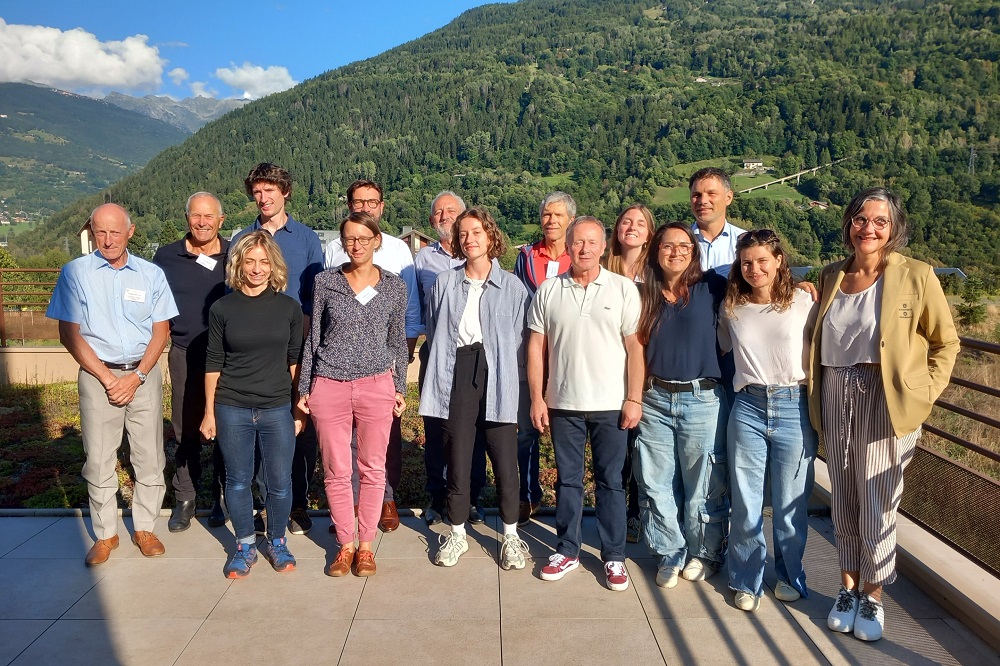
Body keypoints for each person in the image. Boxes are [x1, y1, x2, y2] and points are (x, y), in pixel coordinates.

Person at [808, 187, 959, 641]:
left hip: (885, 396)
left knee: (878, 497)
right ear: (848, 224)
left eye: (879, 221)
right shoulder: (832, 274)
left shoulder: (916, 275)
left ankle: (873, 597)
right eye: (860, 219)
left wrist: (924, 392)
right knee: (844, 497)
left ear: (893, 228)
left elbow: (946, 342)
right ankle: (847, 589)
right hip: (835, 390)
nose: (868, 228)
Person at [47, 203, 178, 565]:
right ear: (92, 232)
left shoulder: (151, 274)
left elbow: (161, 331)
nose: (107, 240)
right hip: (97, 375)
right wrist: (107, 378)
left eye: (115, 232)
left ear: (130, 232)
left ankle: (145, 527)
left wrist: (137, 376)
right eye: (100, 232)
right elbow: (69, 334)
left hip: (144, 375)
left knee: (149, 455)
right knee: (100, 457)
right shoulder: (75, 273)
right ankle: (106, 534)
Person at [528, 216, 644, 592]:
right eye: (578, 242)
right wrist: (537, 397)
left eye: (592, 242)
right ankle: (567, 550)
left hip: (611, 404)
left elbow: (635, 348)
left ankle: (613, 556)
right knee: (568, 481)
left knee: (612, 482)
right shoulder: (549, 290)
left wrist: (634, 398)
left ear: (603, 246)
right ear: (568, 246)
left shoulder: (623, 289)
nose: (585, 249)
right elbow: (536, 348)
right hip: (563, 402)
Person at [298, 211, 408, 577]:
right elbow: (313, 338)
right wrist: (305, 387)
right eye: (349, 239)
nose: (356, 245)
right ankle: (345, 544)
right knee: (336, 470)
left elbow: (397, 340)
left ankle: (366, 547)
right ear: (342, 242)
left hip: (376, 385)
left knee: (373, 469)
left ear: (377, 241)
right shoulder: (325, 281)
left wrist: (400, 387)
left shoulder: (394, 286)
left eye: (363, 238)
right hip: (329, 384)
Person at [420, 207, 530, 570]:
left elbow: (521, 341)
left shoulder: (512, 287)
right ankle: (457, 533)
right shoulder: (444, 283)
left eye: (477, 232)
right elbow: (434, 330)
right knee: (458, 456)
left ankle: (510, 536)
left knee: (504, 457)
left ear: (490, 236)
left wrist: (516, 388)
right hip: (458, 370)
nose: (470, 239)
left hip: (499, 373)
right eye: (463, 233)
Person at [718, 229, 818, 612]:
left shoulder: (804, 301)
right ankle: (746, 580)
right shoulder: (732, 307)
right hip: (748, 406)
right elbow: (722, 347)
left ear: (778, 261)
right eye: (746, 262)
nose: (754, 268)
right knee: (746, 502)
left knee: (791, 502)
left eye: (762, 260)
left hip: (794, 405)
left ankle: (791, 576)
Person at [201, 231, 304, 578]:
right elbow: (213, 362)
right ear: (239, 265)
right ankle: (245, 546)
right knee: (237, 481)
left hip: (277, 407)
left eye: (263, 261)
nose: (257, 269)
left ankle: (277, 541)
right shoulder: (222, 309)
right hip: (232, 406)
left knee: (280, 483)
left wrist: (299, 407)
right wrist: (209, 413)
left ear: (273, 265)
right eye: (250, 261)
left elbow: (295, 360)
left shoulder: (289, 308)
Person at [632, 222, 729, 589]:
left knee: (703, 483)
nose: (675, 252)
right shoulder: (642, 294)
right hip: (654, 399)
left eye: (683, 245)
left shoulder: (712, 287)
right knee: (655, 483)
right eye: (667, 245)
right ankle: (669, 552)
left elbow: (760, 287)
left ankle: (705, 554)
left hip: (702, 399)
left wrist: (801, 285)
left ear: (694, 251)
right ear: (656, 251)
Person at [232, 163, 323, 536]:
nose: (263, 197)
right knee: (254, 425)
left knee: (300, 422)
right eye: (257, 191)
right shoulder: (242, 238)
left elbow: (314, 297)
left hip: (297, 347)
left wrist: (302, 346)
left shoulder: (306, 239)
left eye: (270, 190)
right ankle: (260, 504)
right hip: (254, 352)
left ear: (285, 192)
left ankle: (297, 503)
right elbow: (234, 293)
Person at [325, 179, 420, 533]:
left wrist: (404, 355)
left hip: (384, 361)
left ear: (382, 206)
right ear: (349, 205)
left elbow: (409, 309)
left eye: (371, 201)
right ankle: (350, 502)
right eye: (358, 201)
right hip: (340, 364)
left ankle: (386, 498)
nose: (364, 207)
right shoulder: (334, 249)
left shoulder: (398, 250)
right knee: (345, 439)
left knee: (384, 436)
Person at [153, 192, 230, 532]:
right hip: (185, 352)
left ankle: (223, 497)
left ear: (221, 220)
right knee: (185, 427)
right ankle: (185, 496)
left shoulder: (235, 254)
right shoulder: (166, 257)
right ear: (187, 218)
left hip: (228, 356)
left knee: (228, 426)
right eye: (196, 216)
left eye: (209, 216)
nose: (202, 222)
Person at [413, 191, 488, 526]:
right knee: (435, 426)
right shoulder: (422, 259)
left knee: (474, 428)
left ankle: (471, 496)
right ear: (432, 220)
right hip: (436, 351)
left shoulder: (480, 253)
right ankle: (437, 496)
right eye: (438, 212)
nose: (444, 216)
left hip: (474, 355)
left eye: (451, 210)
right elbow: (415, 308)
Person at [513, 191, 575, 524]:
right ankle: (528, 495)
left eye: (558, 215)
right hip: (532, 355)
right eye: (547, 215)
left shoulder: (579, 255)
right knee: (527, 431)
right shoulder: (525, 257)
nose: (551, 220)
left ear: (571, 220)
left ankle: (568, 498)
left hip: (569, 358)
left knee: (569, 434)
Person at [602, 204, 653, 545]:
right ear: (617, 229)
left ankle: (637, 514)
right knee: (616, 453)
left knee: (642, 449)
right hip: (608, 372)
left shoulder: (657, 272)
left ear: (649, 233)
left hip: (648, 370)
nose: (632, 227)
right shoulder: (603, 268)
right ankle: (615, 517)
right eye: (625, 222)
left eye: (640, 223)